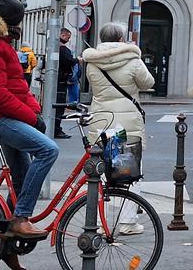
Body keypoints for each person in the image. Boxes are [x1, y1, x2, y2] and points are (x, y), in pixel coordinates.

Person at [0, 0, 58, 244]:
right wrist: (29, 117)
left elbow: (17, 87)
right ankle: (20, 219)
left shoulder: (1, 42)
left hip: (4, 115)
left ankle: (6, 248)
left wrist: (34, 112)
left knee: (21, 179)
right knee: (48, 150)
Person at [82, 22, 154, 235]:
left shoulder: (92, 62)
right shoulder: (133, 60)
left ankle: (97, 223)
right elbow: (147, 82)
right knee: (129, 170)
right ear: (121, 39)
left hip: (102, 120)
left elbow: (94, 86)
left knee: (101, 171)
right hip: (126, 122)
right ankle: (127, 222)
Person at [54, 28, 76, 139]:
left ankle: (54, 128)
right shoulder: (63, 49)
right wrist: (77, 60)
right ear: (63, 35)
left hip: (56, 80)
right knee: (59, 106)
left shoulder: (53, 47)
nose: (68, 39)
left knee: (56, 106)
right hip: (61, 80)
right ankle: (57, 129)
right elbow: (69, 62)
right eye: (68, 37)